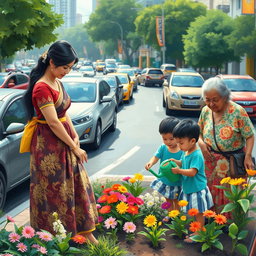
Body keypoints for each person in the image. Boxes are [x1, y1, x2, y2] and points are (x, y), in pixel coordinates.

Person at [22, 40, 98, 244]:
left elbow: (64, 116)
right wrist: (74, 146)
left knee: (72, 188)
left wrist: (76, 139)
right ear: (52, 62)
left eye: (70, 68)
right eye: (65, 67)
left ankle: (79, 234)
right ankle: (52, 241)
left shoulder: (57, 82)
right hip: (49, 148)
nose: (67, 71)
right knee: (53, 193)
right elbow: (53, 123)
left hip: (64, 143)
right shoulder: (41, 88)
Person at [198, 77, 255, 214]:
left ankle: (231, 223)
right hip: (210, 162)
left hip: (232, 162)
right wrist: (202, 145)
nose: (211, 104)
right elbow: (199, 132)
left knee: (231, 194)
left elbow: (250, 135)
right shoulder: (205, 111)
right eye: (207, 99)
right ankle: (212, 219)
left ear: (224, 97)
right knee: (210, 190)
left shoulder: (237, 111)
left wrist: (248, 156)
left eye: (215, 100)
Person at [170, 119, 213, 243]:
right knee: (194, 212)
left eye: (181, 143)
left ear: (193, 141)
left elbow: (192, 172)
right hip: (190, 188)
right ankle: (197, 231)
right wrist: (176, 162)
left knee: (199, 213)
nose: (179, 146)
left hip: (197, 189)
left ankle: (199, 234)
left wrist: (178, 171)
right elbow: (184, 163)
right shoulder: (187, 151)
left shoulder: (197, 155)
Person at [145, 117, 182, 221]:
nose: (168, 142)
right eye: (164, 139)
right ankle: (170, 214)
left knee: (176, 199)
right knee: (168, 198)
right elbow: (156, 157)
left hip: (177, 181)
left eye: (171, 139)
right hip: (165, 179)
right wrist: (150, 163)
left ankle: (177, 216)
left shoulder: (182, 149)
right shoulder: (163, 147)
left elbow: (184, 163)